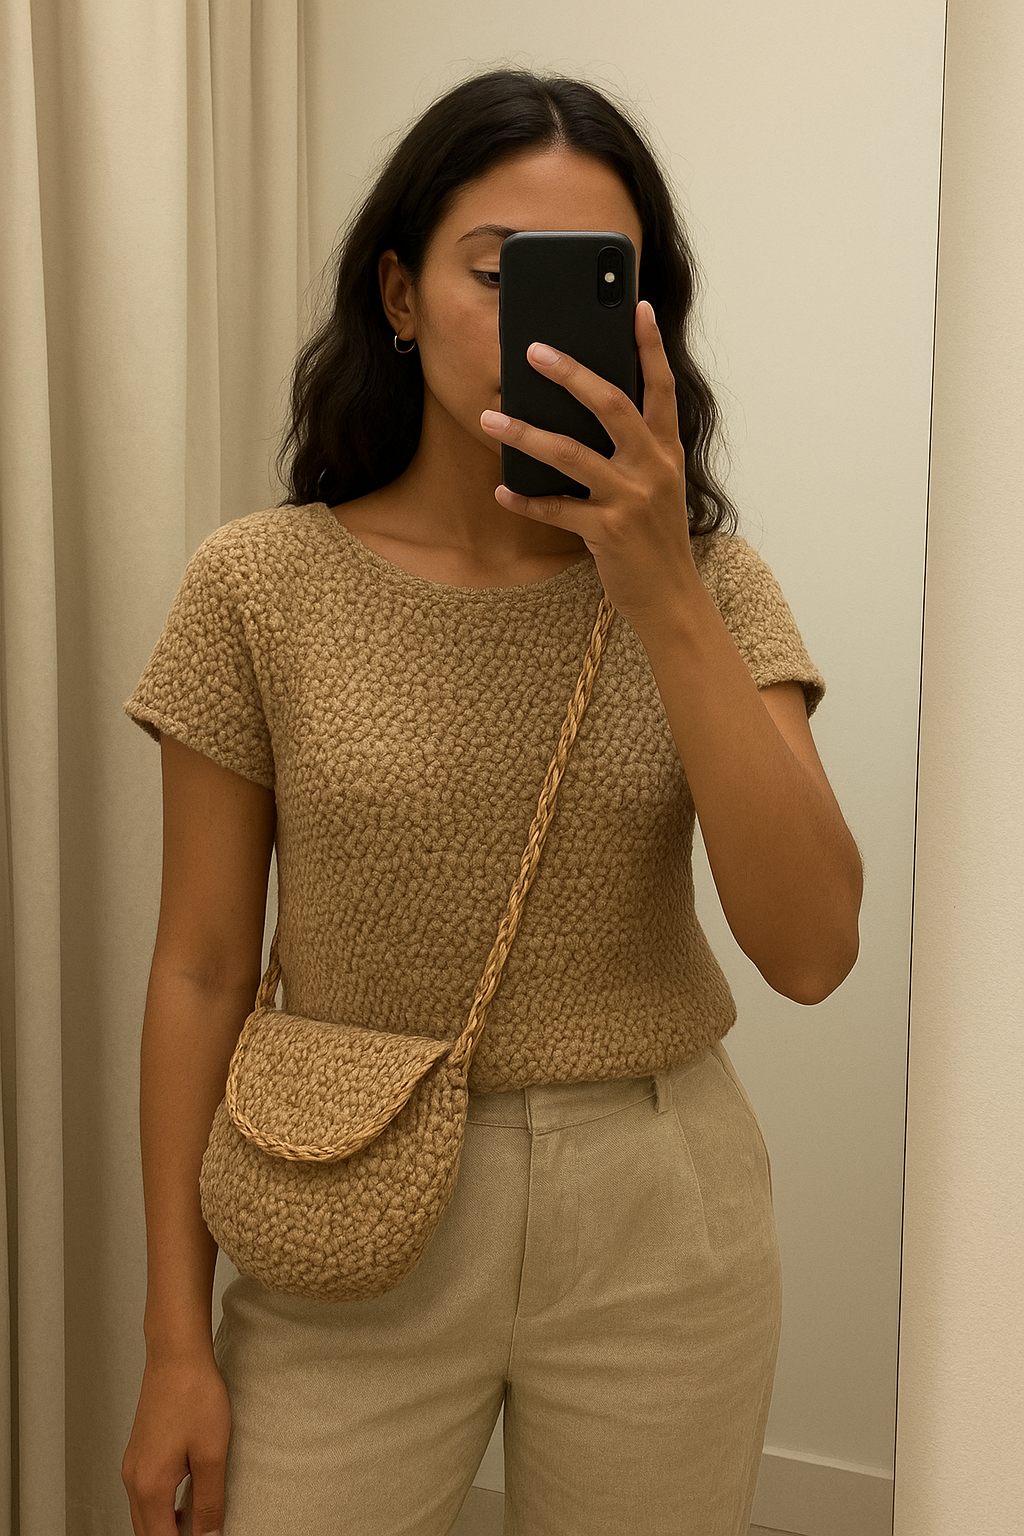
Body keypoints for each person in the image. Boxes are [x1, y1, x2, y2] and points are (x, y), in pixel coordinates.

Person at [121, 68, 862, 1536]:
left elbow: (813, 948)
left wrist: (660, 584)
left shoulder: (713, 588)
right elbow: (200, 967)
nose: (541, 325)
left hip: (659, 1212)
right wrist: (173, 1342)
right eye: (495, 272)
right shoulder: (258, 585)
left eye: (595, 282)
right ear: (399, 295)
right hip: (344, 1200)